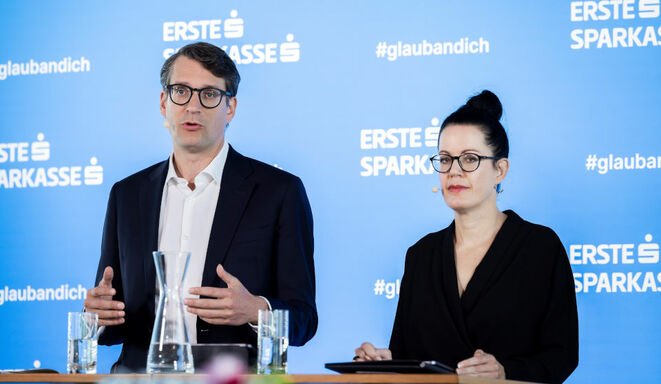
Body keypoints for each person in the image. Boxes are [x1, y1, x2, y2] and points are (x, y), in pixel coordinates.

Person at [83, 42, 317, 372]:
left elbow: (304, 320)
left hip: (229, 379)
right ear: (164, 103)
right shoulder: (127, 195)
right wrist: (100, 317)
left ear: (230, 107)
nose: (192, 107)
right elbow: (114, 320)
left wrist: (255, 310)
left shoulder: (279, 192)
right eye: (181, 91)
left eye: (209, 94)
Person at [354, 91, 578, 384]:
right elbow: (409, 356)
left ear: (500, 169)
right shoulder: (421, 254)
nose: (454, 171)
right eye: (445, 159)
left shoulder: (540, 247)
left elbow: (562, 355)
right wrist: (385, 363)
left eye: (470, 159)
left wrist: (505, 372)